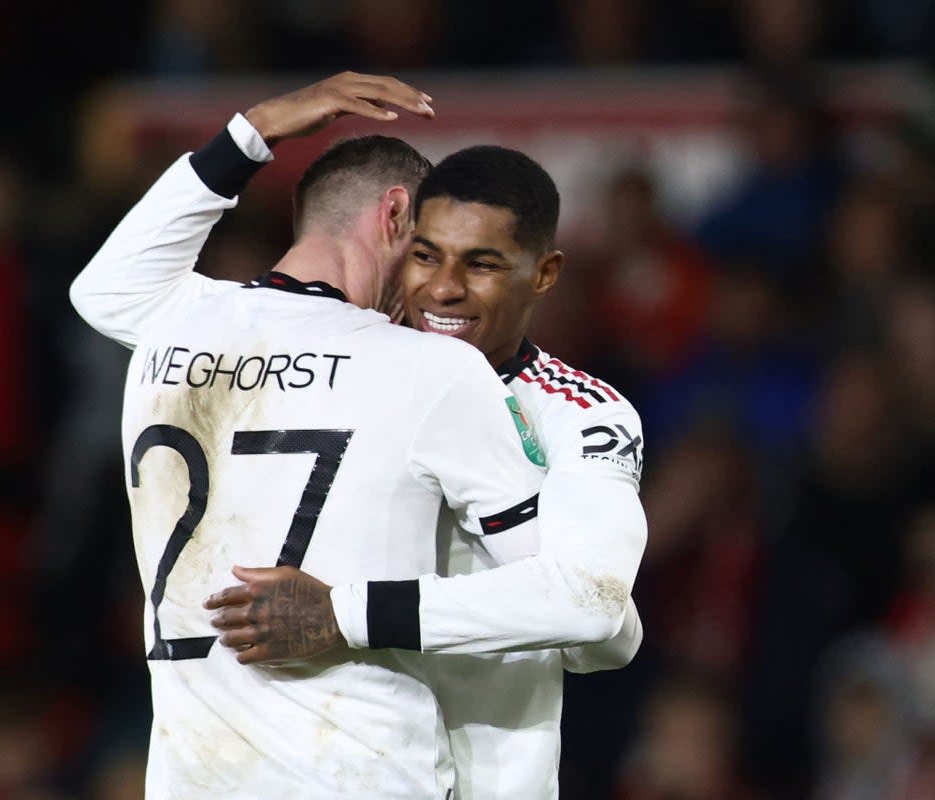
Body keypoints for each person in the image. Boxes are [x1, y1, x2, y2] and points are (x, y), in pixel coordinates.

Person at [71, 73, 646, 798]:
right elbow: (105, 292)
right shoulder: (384, 361)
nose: (441, 288)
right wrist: (251, 132)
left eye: (483, 264)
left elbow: (603, 620)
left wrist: (345, 612)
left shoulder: (579, 412)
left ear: (544, 275)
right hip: (338, 764)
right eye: (427, 254)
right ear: (397, 223)